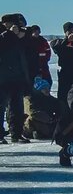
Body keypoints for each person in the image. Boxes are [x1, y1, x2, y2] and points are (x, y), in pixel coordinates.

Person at [0, 13, 33, 143]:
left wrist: (24, 35)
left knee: (17, 108)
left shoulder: (19, 37)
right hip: (2, 78)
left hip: (18, 77)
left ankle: (17, 133)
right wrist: (9, 34)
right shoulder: (4, 35)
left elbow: (28, 51)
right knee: (1, 106)